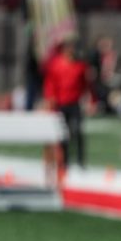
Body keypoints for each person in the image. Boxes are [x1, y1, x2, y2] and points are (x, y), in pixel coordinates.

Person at [43, 38, 89, 168]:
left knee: (78, 130)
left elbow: (85, 84)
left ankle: (80, 161)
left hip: (75, 103)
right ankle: (64, 161)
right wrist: (50, 98)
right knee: (63, 133)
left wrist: (89, 99)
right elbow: (50, 83)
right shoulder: (55, 65)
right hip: (61, 103)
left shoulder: (80, 65)